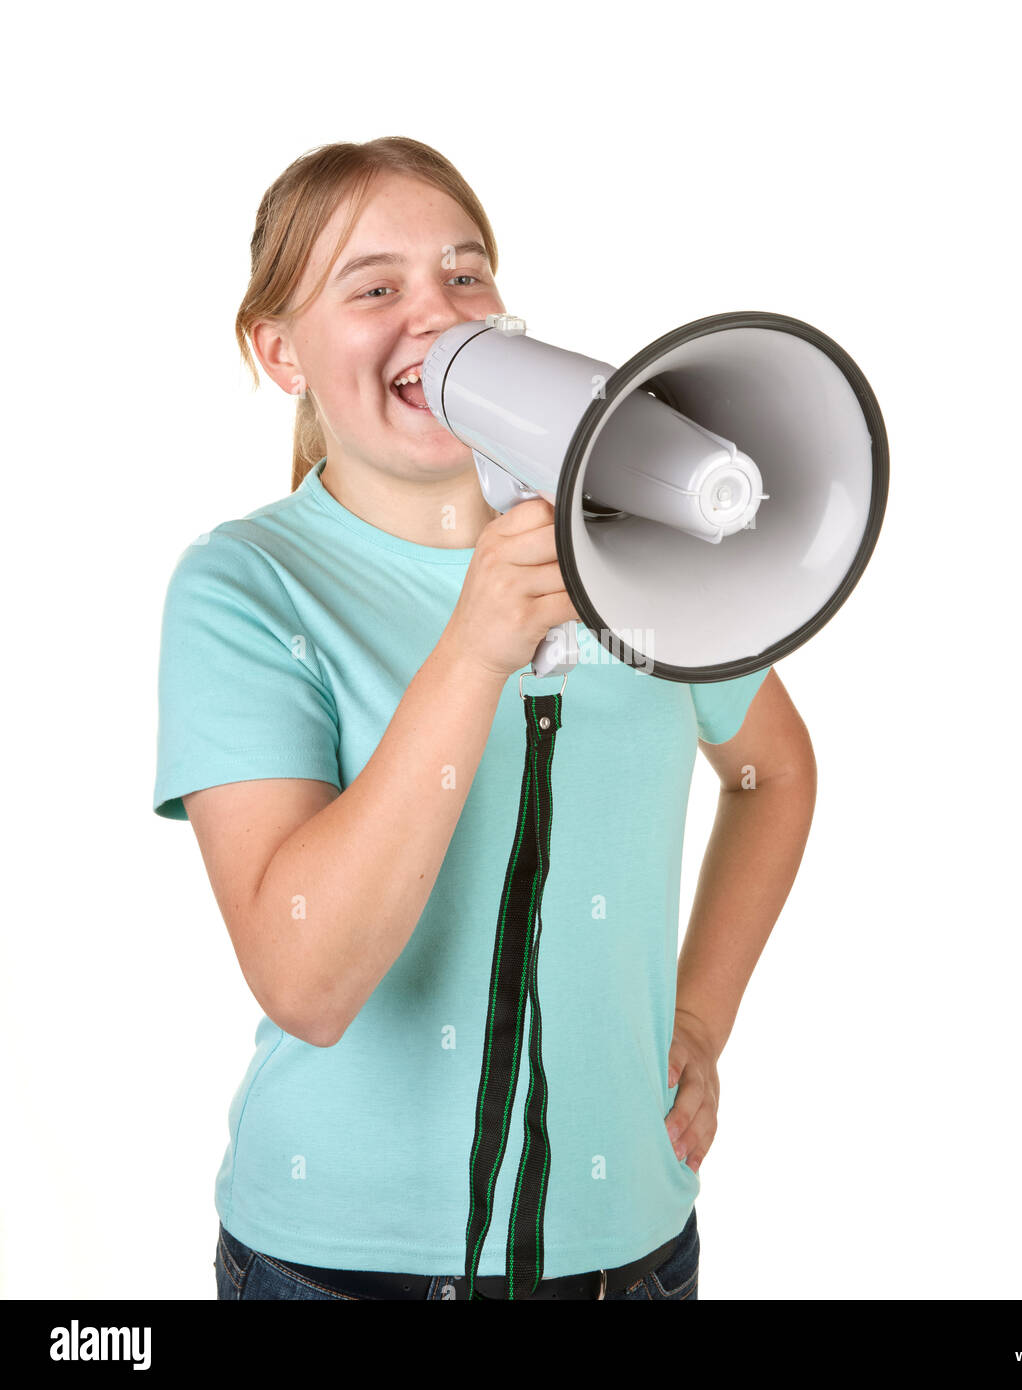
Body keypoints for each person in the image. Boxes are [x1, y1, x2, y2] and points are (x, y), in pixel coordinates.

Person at [152, 136, 817, 1301]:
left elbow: (773, 775)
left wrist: (701, 1021)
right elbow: (305, 979)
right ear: (280, 350)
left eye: (466, 275)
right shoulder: (246, 585)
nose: (438, 315)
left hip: (628, 1252)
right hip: (338, 1266)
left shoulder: (635, 553)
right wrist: (474, 645)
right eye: (374, 287)